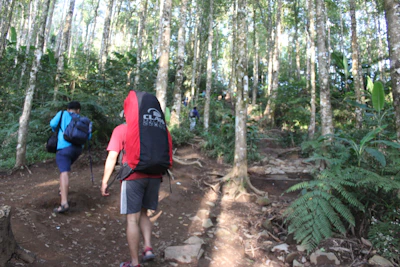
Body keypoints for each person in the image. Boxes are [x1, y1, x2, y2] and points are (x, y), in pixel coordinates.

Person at [100, 114, 163, 267]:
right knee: (143, 212)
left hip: (133, 177)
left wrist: (104, 181)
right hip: (154, 176)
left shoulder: (122, 129)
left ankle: (135, 263)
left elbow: (112, 157)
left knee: (132, 219)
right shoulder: (154, 130)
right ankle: (148, 248)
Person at [50, 101, 90, 213]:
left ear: (68, 109)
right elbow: (88, 136)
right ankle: (61, 189)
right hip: (77, 150)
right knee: (65, 169)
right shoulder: (83, 120)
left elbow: (52, 124)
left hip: (63, 148)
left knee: (64, 172)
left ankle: (64, 203)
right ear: (78, 110)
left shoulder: (62, 114)